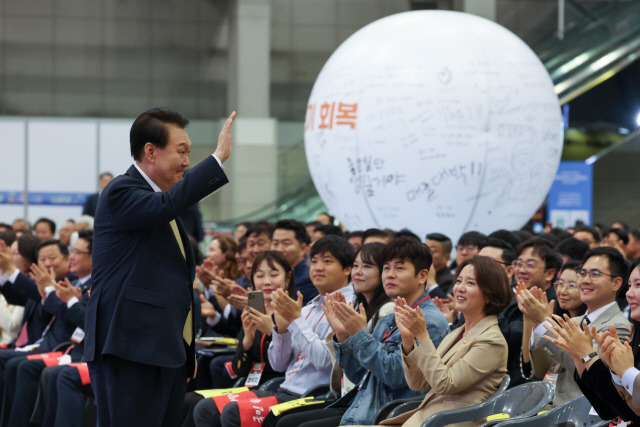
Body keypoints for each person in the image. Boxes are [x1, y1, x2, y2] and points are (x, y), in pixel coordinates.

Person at [84, 108, 236, 427]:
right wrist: (218, 159)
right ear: (151, 151)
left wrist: (186, 349)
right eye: (181, 152)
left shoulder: (162, 206)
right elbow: (166, 205)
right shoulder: (121, 191)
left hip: (163, 350)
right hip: (130, 348)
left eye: (189, 153)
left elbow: (176, 284)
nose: (186, 161)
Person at [193, 235, 356, 427]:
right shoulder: (307, 309)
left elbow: (324, 362)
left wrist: (293, 321)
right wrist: (281, 332)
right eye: (314, 261)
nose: (318, 267)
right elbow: (279, 364)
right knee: (204, 408)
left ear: (347, 269)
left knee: (233, 412)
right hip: (284, 388)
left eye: (327, 261)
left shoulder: (350, 306)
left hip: (315, 394)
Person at [379, 255, 510, 426]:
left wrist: (422, 335)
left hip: (447, 422)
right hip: (426, 419)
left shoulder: (492, 341)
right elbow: (418, 383)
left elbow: (445, 384)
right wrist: (408, 342)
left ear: (489, 295)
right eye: (459, 281)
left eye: (470, 283)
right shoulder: (457, 333)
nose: (460, 288)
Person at [518, 246, 630, 404]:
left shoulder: (618, 326)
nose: (585, 280)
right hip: (551, 406)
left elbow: (589, 374)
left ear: (616, 283)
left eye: (595, 274)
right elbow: (542, 370)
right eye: (583, 273)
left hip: (583, 413)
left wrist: (544, 323)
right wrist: (537, 324)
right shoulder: (574, 321)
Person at [540, 259, 640, 423]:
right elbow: (612, 409)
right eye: (630, 286)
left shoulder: (618, 326)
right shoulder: (635, 334)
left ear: (615, 282)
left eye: (638, 285)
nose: (629, 293)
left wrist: (587, 356)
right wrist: (579, 356)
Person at [271, 220, 315, 305]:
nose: (279, 249)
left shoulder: (308, 280)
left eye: (286, 243)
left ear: (303, 249)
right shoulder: (270, 276)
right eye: (275, 243)